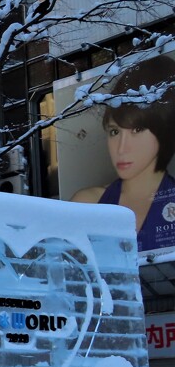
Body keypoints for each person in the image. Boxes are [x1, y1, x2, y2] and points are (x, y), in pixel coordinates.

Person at [72, 55, 175, 253]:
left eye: (136, 130)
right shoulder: (87, 204)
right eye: (114, 131)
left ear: (164, 128)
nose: (121, 148)